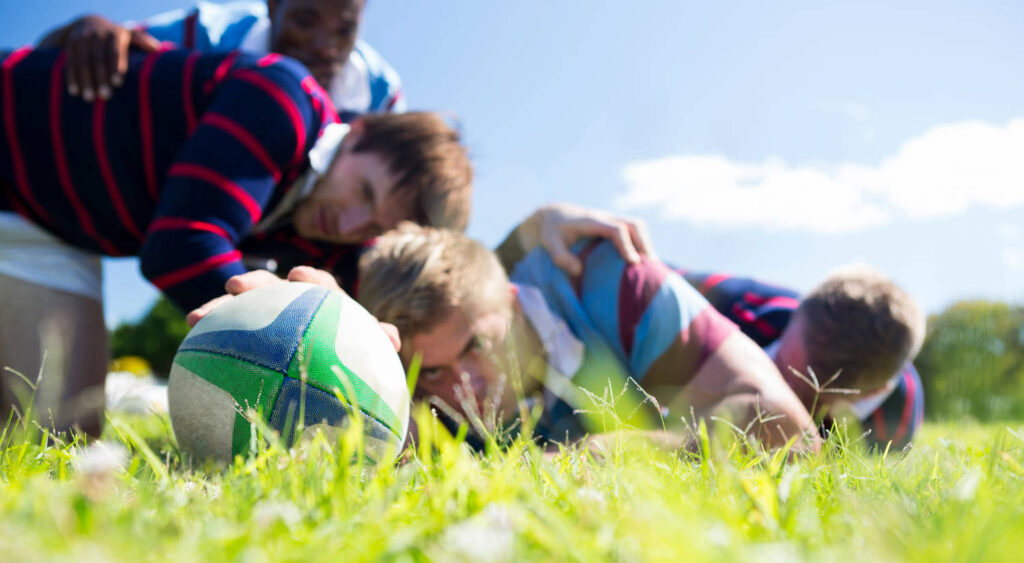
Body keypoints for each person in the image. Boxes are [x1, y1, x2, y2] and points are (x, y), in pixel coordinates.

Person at [0, 45, 471, 435]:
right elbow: (181, 243)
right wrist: (288, 313)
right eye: (364, 191)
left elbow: (365, 343)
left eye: (372, 228)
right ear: (358, 132)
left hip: (52, 231)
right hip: (10, 132)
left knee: (60, 433)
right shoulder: (281, 98)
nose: (349, 226)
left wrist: (401, 412)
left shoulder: (337, 235)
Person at [352, 224, 820, 452]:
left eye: (476, 345)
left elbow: (787, 425)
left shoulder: (617, 287)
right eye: (432, 371)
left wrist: (606, 456)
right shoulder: (398, 375)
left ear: (512, 299)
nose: (465, 384)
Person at [677, 268, 926, 450]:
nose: (776, 397)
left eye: (810, 402)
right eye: (778, 366)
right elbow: (651, 275)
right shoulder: (739, 306)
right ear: (796, 315)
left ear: (871, 394)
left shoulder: (895, 420)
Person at [38, 0, 403, 121]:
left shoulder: (379, 96)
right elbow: (46, 56)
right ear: (273, 5)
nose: (325, 46)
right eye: (306, 21)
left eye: (345, 29)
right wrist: (85, 29)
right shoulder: (206, 35)